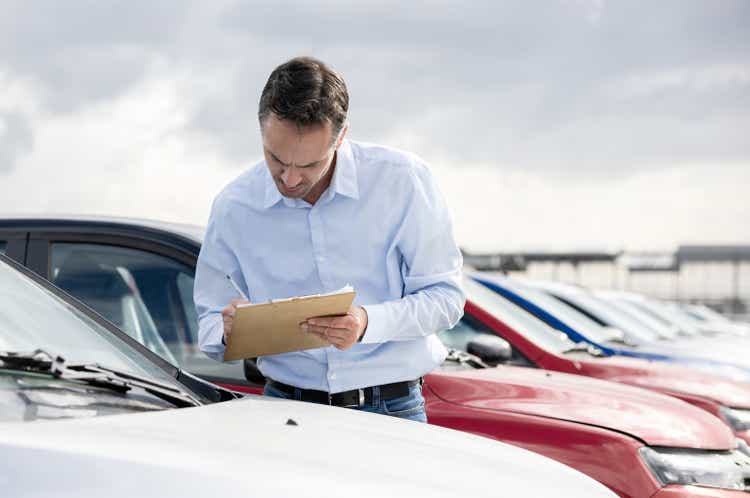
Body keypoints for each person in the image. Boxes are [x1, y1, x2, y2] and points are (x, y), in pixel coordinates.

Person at [194, 56, 465, 422]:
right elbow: (209, 321)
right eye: (275, 159)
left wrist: (367, 322)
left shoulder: (403, 182)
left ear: (341, 137)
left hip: (391, 412)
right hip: (285, 413)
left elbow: (446, 298)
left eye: (308, 165)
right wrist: (228, 332)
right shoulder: (234, 206)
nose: (289, 179)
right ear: (261, 131)